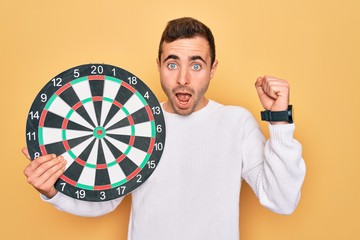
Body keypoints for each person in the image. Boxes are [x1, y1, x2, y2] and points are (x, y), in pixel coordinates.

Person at [22, 17, 306, 240]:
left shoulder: (236, 122)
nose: (183, 79)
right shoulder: (134, 123)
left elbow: (282, 200)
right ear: (158, 65)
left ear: (213, 69)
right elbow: (104, 202)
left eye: (196, 65)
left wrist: (279, 119)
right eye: (172, 64)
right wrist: (53, 191)